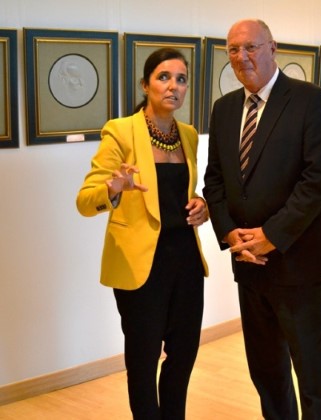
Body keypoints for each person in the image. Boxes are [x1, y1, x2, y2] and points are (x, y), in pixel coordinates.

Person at [202, 18, 321, 420]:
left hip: (297, 260)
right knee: (266, 370)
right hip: (248, 262)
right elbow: (215, 179)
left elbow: (316, 182)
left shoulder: (310, 100)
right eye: (233, 49)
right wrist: (231, 235)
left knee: (311, 373)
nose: (242, 57)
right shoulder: (225, 108)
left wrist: (271, 236)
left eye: (250, 47)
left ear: (272, 47)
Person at [76, 47, 209, 420]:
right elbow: (86, 201)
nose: (173, 87)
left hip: (185, 259)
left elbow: (182, 192)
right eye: (163, 77)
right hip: (141, 267)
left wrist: (203, 205)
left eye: (181, 79)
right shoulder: (120, 131)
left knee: (183, 354)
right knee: (143, 359)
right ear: (145, 85)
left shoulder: (189, 135)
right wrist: (114, 189)